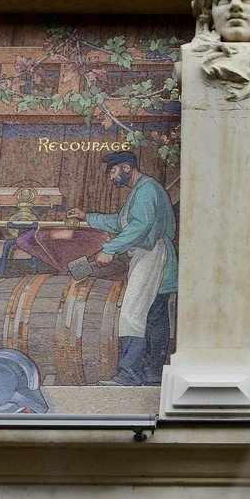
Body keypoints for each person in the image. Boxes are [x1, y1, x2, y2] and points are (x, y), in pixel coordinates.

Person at [81, 150, 178, 386]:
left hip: (151, 254)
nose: (112, 178)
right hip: (152, 255)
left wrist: (110, 248)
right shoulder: (141, 190)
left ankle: (129, 373)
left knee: (132, 313)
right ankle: (152, 374)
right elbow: (120, 221)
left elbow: (140, 226)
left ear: (127, 168)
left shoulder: (146, 190)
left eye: (113, 172)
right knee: (154, 316)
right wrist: (88, 217)